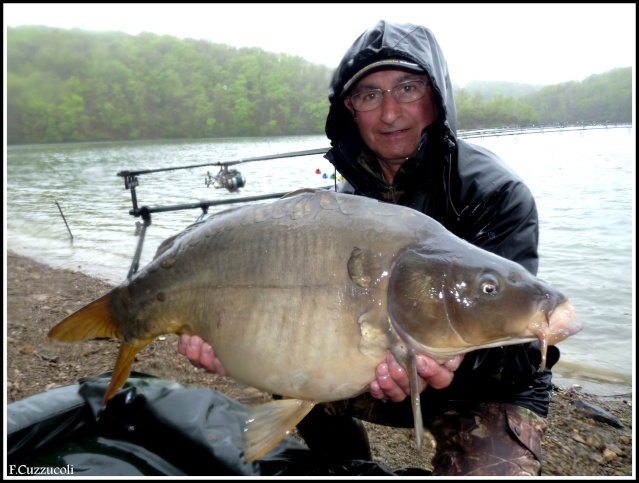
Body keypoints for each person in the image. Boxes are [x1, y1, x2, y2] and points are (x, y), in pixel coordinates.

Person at [178, 20, 559, 476]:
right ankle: (344, 464)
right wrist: (233, 340)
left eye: (408, 88)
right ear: (350, 110)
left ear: (436, 99)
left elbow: (522, 346)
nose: (390, 113)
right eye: (370, 95)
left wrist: (446, 361)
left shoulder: (496, 194)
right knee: (294, 350)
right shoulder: (342, 203)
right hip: (380, 369)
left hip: (489, 387)